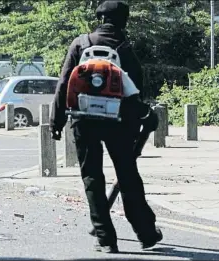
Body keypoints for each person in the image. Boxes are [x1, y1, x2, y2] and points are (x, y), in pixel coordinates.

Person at [50, 1, 162, 253]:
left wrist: (56, 122)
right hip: (119, 122)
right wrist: (140, 121)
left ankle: (105, 238)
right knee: (128, 176)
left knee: (92, 177)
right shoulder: (124, 48)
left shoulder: (80, 43)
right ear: (124, 21)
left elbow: (64, 83)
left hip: (83, 119)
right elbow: (135, 92)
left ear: (100, 19)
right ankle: (145, 233)